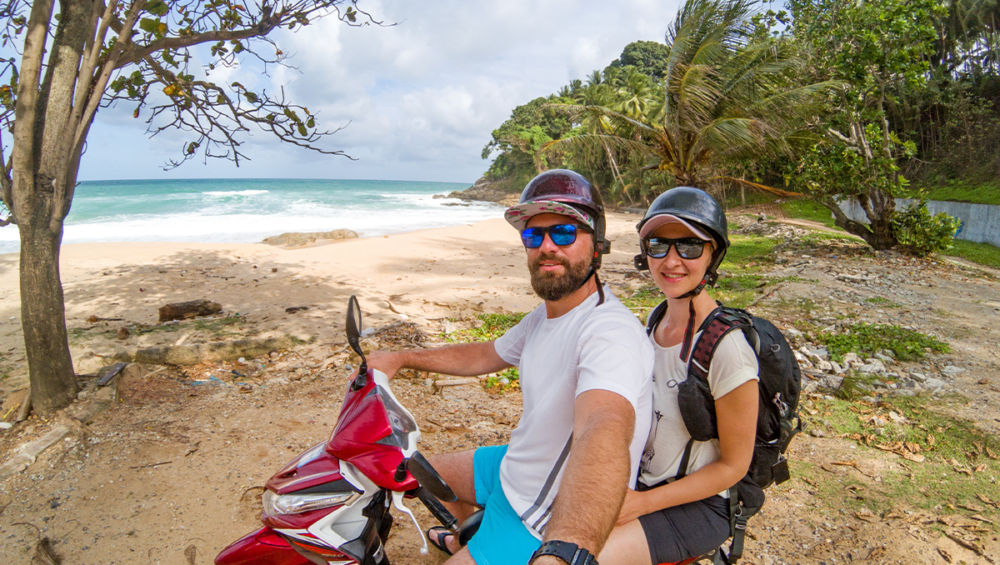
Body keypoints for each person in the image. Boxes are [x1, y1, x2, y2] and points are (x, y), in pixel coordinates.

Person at [365, 169, 653, 565]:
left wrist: (566, 548)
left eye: (564, 233)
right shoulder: (549, 314)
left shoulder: (609, 332)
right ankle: (469, 541)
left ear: (597, 243)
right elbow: (486, 354)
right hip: (513, 466)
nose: (547, 246)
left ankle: (488, 548)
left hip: (540, 513)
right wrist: (400, 358)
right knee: (416, 474)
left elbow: (604, 426)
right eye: (534, 235)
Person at [598, 187, 759, 565]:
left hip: (699, 505)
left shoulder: (727, 350)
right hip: (641, 484)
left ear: (712, 255)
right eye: (658, 245)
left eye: (688, 246)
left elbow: (734, 466)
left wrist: (640, 504)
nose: (671, 261)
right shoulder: (656, 320)